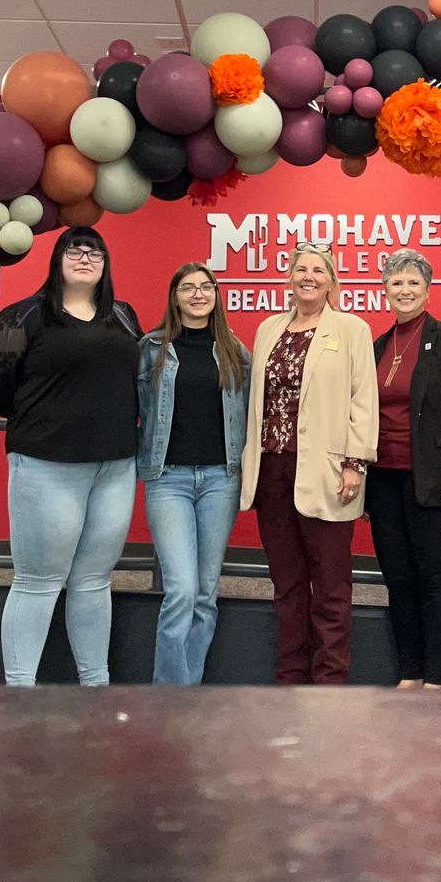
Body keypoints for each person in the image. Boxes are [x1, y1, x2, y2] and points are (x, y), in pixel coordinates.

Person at [0, 226, 141, 687]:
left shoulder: (123, 317)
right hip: (46, 468)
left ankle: (96, 684)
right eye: (74, 250)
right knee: (39, 581)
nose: (85, 258)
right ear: (57, 259)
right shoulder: (23, 317)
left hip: (115, 468)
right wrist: (41, 417)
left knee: (94, 580)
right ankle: (20, 689)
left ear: (106, 263)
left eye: (95, 252)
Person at [240, 245, 378, 685]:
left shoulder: (351, 329)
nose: (309, 276)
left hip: (327, 471)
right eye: (301, 269)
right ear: (289, 278)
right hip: (272, 471)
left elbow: (363, 399)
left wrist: (355, 463)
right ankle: (291, 677)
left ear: (332, 280)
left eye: (319, 270)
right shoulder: (268, 329)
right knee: (287, 584)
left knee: (332, 587)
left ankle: (330, 681)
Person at [368, 249, 441, 689]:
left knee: (433, 579)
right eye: (396, 283)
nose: (405, 290)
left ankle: (435, 677)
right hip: (383, 479)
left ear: (428, 291)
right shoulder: (377, 345)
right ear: (385, 292)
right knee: (397, 579)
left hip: (433, 477)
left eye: (413, 283)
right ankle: (410, 674)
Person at [137, 262, 250, 685]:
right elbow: (137, 408)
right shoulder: (151, 348)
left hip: (221, 479)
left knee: (205, 594)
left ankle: (190, 691)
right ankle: (168, 696)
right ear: (175, 295)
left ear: (216, 295)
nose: (199, 294)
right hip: (169, 480)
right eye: (189, 287)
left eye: (206, 287)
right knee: (181, 590)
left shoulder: (237, 352)